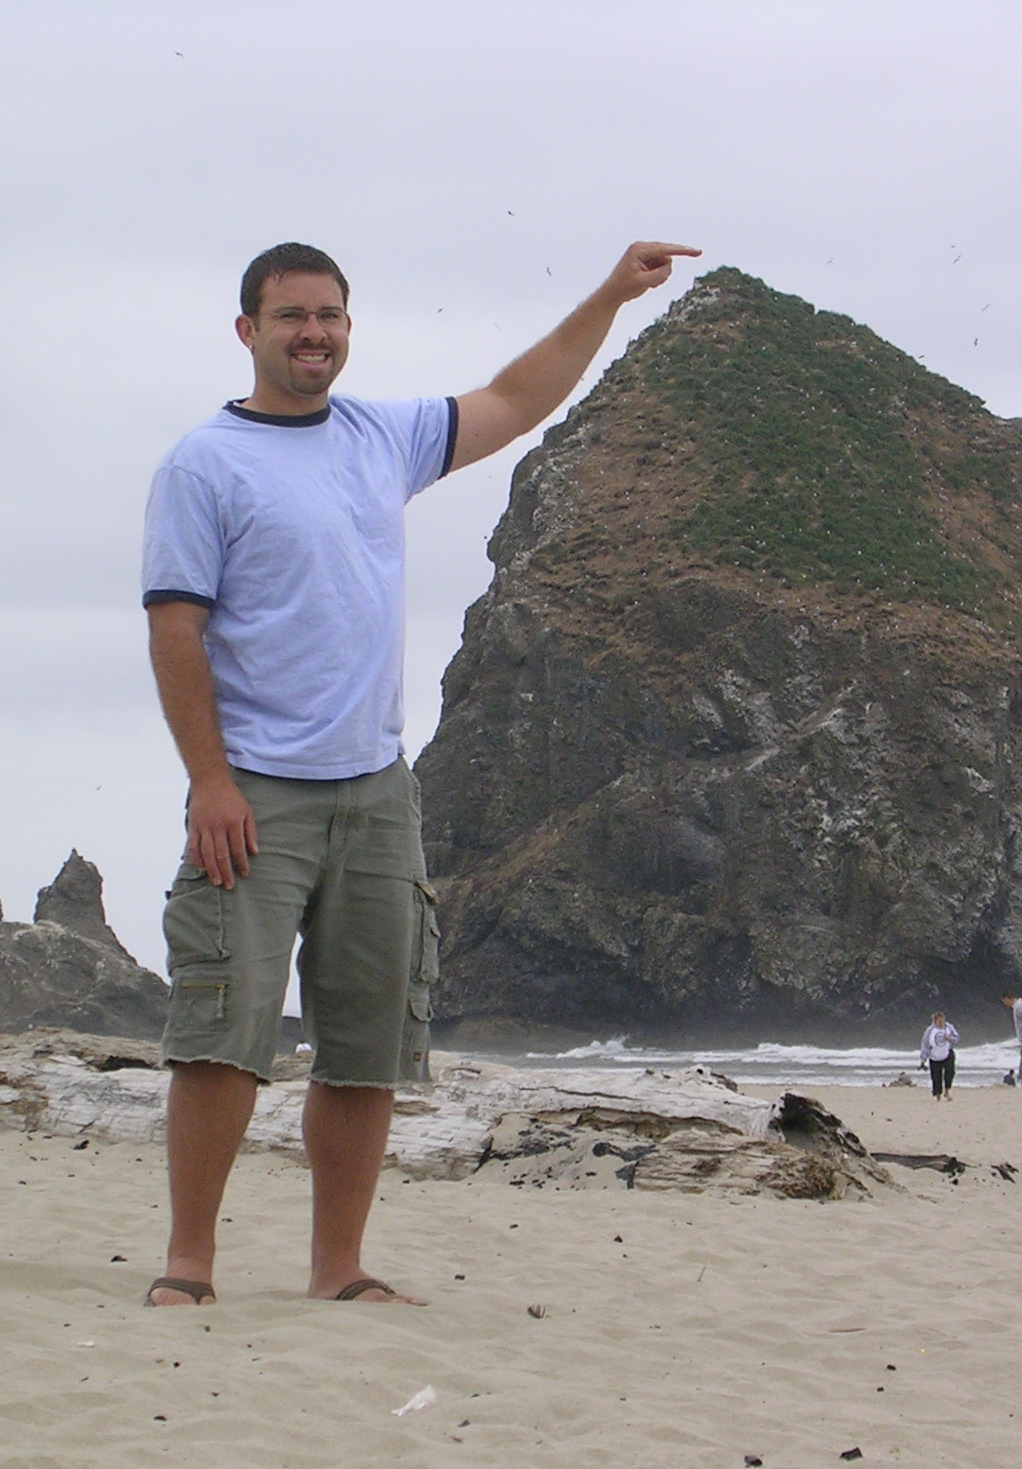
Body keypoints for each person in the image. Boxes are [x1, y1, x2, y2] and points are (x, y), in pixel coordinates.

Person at [141, 237, 699, 1308]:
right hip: (254, 787)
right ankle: (189, 1265)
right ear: (248, 331)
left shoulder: (380, 437)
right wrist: (208, 781)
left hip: (377, 790)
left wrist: (610, 296)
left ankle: (338, 1270)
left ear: (348, 329)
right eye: (291, 316)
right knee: (220, 1035)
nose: (313, 334)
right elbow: (175, 630)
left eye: (330, 317)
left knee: (366, 1046)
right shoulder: (203, 463)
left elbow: (513, 397)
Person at [919, 1011, 960, 1100]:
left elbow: (956, 1038)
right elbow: (925, 1045)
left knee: (950, 1072)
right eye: (939, 1022)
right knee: (936, 1077)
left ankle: (947, 1092)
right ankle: (938, 1095)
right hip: (934, 1056)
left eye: (943, 1021)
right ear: (935, 1021)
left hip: (947, 1054)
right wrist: (923, 1059)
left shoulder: (949, 1027)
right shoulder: (930, 1031)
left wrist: (949, 1038)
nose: (941, 1024)